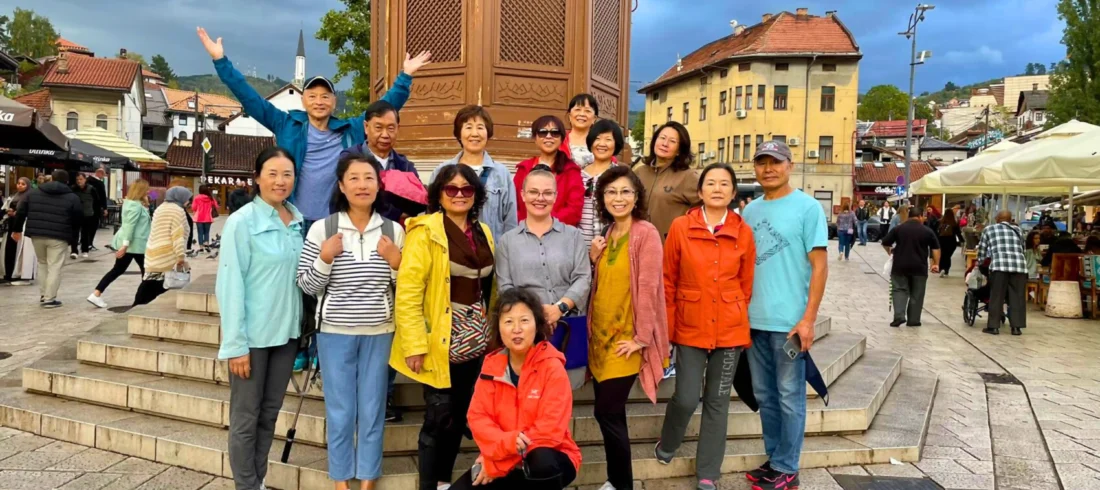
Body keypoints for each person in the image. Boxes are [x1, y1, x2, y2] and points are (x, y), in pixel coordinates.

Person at [197, 27, 426, 225]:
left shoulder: (349, 130)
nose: (319, 101)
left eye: (325, 96)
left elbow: (384, 109)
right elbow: (251, 99)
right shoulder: (287, 124)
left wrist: (405, 76)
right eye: (313, 96)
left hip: (335, 221)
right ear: (303, 99)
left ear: (334, 102)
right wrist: (221, 62)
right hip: (293, 219)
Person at [297, 154, 405, 490]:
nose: (362, 185)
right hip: (334, 334)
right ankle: (341, 480)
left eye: (369, 178)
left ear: (378, 184)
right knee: (341, 411)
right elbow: (306, 285)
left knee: (372, 410)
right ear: (342, 186)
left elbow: (407, 291)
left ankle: (368, 477)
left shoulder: (394, 231)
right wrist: (326, 258)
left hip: (379, 333)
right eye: (354, 178)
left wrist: (396, 264)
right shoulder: (323, 229)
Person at [392, 164, 496, 490]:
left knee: (460, 416)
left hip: (476, 341)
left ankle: (442, 482)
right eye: (452, 189)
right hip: (441, 338)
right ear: (439, 194)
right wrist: (414, 345)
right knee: (438, 418)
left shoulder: (484, 232)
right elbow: (408, 293)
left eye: (467, 189)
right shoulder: (424, 232)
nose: (460, 194)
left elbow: (490, 288)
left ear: (476, 194)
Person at [655, 163, 754, 490]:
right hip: (689, 325)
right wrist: (668, 328)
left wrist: (735, 310)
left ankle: (708, 471)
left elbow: (746, 284)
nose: (716, 188)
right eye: (710, 183)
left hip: (729, 328)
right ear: (700, 192)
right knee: (685, 397)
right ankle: (668, 442)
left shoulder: (743, 231)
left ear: (733, 192)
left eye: (724, 184)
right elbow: (668, 280)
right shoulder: (682, 227)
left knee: (718, 400)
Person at [740, 141, 828, 490]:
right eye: (761, 163)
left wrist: (808, 319)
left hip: (789, 322)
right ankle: (775, 459)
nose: (768, 169)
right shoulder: (750, 212)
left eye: (775, 162)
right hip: (753, 321)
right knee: (764, 395)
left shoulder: (808, 208)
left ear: (789, 165)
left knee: (790, 396)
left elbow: (820, 268)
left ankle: (788, 466)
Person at [216, 147, 304, 490]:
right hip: (252, 339)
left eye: (287, 174)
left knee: (268, 416)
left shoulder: (296, 220)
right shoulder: (242, 222)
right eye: (272, 173)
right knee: (245, 418)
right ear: (257, 178)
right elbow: (230, 284)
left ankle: (257, 480)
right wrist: (235, 344)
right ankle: (246, 485)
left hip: (286, 335)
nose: (280, 181)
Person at [585, 165, 668, 490]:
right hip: (600, 340)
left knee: (607, 411)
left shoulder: (645, 233)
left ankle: (622, 483)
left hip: (626, 341)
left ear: (636, 197)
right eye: (611, 192)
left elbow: (648, 289)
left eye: (625, 192)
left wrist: (642, 339)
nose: (618, 198)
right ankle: (617, 481)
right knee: (611, 415)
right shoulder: (607, 235)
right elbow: (601, 286)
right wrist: (593, 259)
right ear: (602, 199)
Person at [450, 288, 581, 490]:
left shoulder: (552, 367)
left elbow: (549, 431)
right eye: (509, 321)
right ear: (499, 328)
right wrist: (505, 446)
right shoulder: (491, 366)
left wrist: (498, 463)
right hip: (503, 452)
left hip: (551, 455)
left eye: (524, 321)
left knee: (540, 461)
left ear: (537, 325)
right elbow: (478, 418)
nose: (517, 329)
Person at [495, 170, 590, 377]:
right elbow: (506, 287)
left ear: (555, 197)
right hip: (527, 330)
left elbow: (583, 277)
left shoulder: (573, 236)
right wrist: (537, 313)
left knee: (564, 393)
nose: (540, 198)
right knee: (529, 391)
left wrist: (560, 308)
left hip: (567, 327)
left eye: (547, 193)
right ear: (522, 195)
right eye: (534, 192)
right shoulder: (507, 241)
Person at [429, 105, 518, 240]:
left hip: (491, 253)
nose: (475, 134)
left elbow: (510, 221)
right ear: (459, 133)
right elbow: (431, 212)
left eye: (480, 128)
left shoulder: (501, 174)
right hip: (448, 252)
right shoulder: (442, 171)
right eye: (469, 127)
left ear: (488, 133)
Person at [340, 100, 422, 222]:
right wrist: (397, 213)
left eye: (390, 128)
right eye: (378, 128)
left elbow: (416, 205)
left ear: (398, 128)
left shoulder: (405, 166)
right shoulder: (350, 158)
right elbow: (341, 201)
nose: (385, 135)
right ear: (366, 127)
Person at [11, 169, 82, 308]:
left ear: (52, 179)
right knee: (55, 266)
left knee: (42, 264)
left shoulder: (33, 193)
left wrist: (17, 229)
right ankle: (50, 298)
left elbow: (21, 211)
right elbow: (78, 219)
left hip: (36, 234)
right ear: (67, 181)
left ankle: (44, 295)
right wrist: (73, 239)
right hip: (59, 236)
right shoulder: (72, 197)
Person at [87, 180, 151, 308]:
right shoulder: (135, 206)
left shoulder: (132, 203)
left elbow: (155, 196)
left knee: (119, 270)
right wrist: (125, 245)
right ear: (141, 191)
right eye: (146, 189)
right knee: (146, 272)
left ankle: (96, 293)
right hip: (135, 245)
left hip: (134, 244)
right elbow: (130, 226)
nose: (149, 192)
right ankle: (143, 299)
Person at [633, 122, 700, 240]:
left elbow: (707, 210)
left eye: (672, 141)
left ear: (679, 150)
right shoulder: (640, 172)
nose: (665, 144)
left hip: (670, 248)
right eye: (662, 138)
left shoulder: (688, 176)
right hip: (637, 243)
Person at [513, 116, 584, 226]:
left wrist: (545, 225)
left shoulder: (571, 170)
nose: (549, 137)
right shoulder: (524, 169)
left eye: (555, 133)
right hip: (525, 233)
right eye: (543, 132)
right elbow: (514, 205)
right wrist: (528, 225)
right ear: (535, 138)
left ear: (561, 138)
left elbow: (574, 210)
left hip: (559, 234)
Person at [881, 206, 940, 327]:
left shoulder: (898, 229)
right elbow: (936, 248)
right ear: (919, 216)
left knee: (899, 290)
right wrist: (936, 264)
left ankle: (899, 316)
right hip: (919, 267)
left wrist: (890, 251)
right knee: (917, 293)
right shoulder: (927, 231)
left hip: (900, 266)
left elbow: (885, 242)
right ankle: (913, 320)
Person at [133, 186, 191, 307]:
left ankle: (138, 307)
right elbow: (177, 235)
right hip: (167, 255)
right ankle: (137, 309)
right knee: (164, 285)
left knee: (150, 283)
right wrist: (180, 256)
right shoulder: (177, 211)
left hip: (153, 252)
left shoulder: (160, 208)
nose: (188, 201)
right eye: (187, 198)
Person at [978, 210, 1028, 336]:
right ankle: (1016, 327)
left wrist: (980, 263)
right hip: (1019, 266)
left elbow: (982, 251)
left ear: (997, 218)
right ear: (1011, 219)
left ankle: (993, 327)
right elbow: (1023, 249)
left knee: (997, 296)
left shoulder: (989, 230)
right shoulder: (1018, 230)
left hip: (999, 266)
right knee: (1017, 297)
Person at [578, 120, 622, 246]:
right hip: (578, 247)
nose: (602, 144)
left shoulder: (619, 176)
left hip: (608, 245)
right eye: (597, 138)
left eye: (608, 139)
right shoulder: (578, 174)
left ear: (616, 144)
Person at [3, 177, 31, 283]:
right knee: (9, 249)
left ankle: (17, 272)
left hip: (21, 226)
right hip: (11, 225)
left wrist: (16, 214)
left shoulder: (29, 196)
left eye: (23, 184)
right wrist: (9, 212)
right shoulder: (14, 195)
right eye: (18, 183)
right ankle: (8, 272)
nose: (20, 185)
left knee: (19, 250)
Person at [562, 93, 600, 166]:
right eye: (577, 109)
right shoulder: (559, 139)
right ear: (570, 116)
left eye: (587, 111)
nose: (582, 114)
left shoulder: (601, 141)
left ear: (594, 119)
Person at [70, 174, 97, 259]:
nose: (79, 181)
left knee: (85, 233)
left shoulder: (91, 189)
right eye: (77, 179)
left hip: (87, 214)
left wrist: (96, 213)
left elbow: (97, 201)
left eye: (81, 179)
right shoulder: (73, 189)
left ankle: (85, 250)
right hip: (75, 214)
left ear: (85, 180)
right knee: (74, 233)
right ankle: (74, 250)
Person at [937, 208, 964, 277]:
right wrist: (962, 241)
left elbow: (937, 232)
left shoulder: (940, 222)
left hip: (941, 240)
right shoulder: (954, 223)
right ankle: (946, 270)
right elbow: (958, 233)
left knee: (942, 255)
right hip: (951, 241)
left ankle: (941, 268)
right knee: (947, 256)